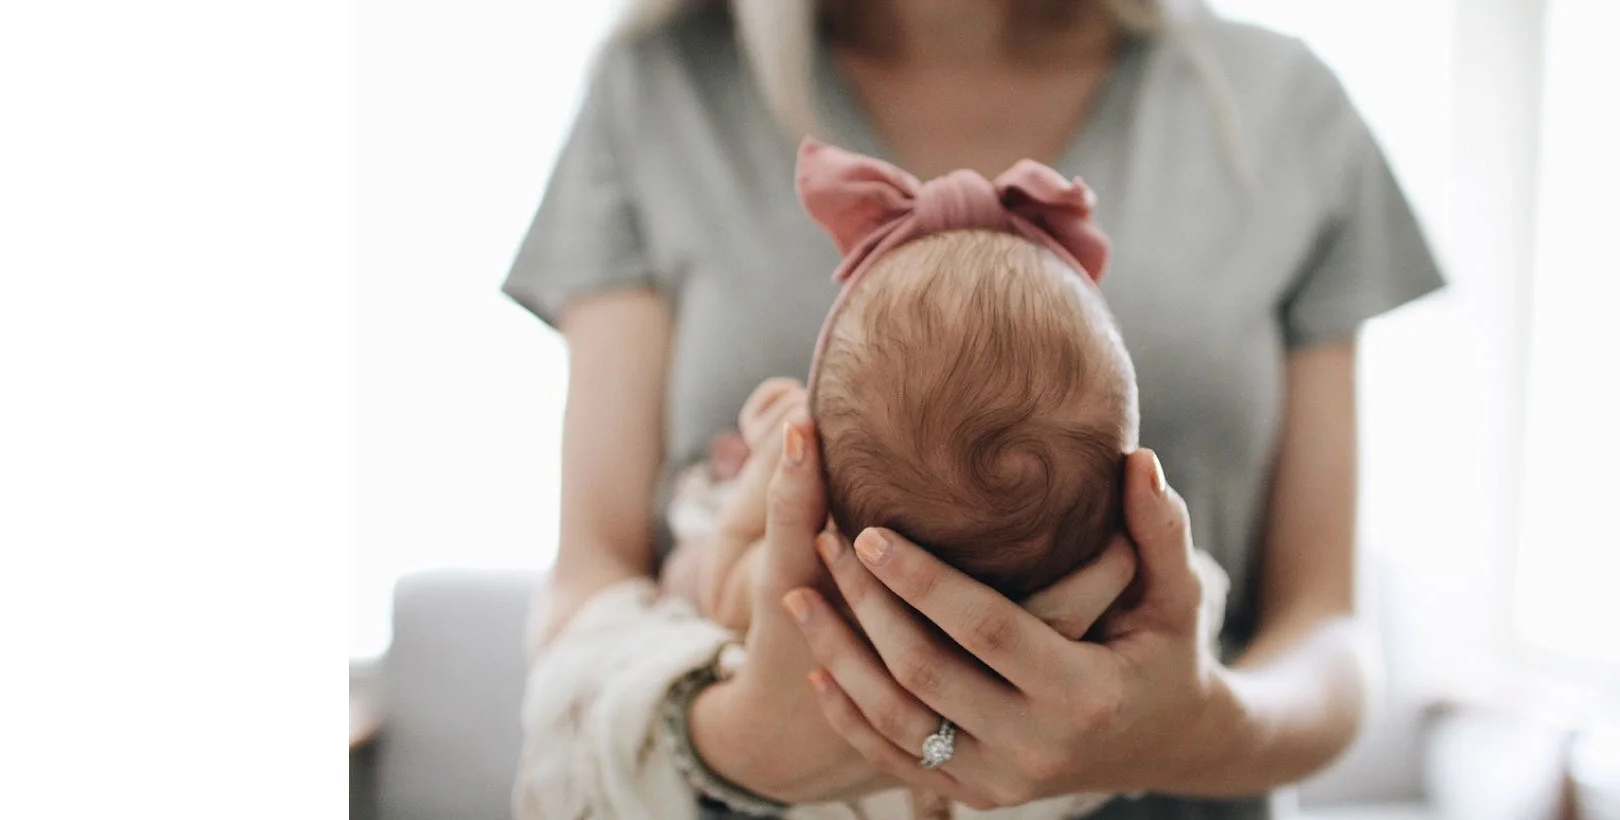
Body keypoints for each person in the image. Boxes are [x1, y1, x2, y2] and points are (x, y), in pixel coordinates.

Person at [504, 0, 1444, 817]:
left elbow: (1328, 625)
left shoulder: (1279, 104)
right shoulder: (660, 87)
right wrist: (738, 740)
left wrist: (1196, 724)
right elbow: (591, 580)